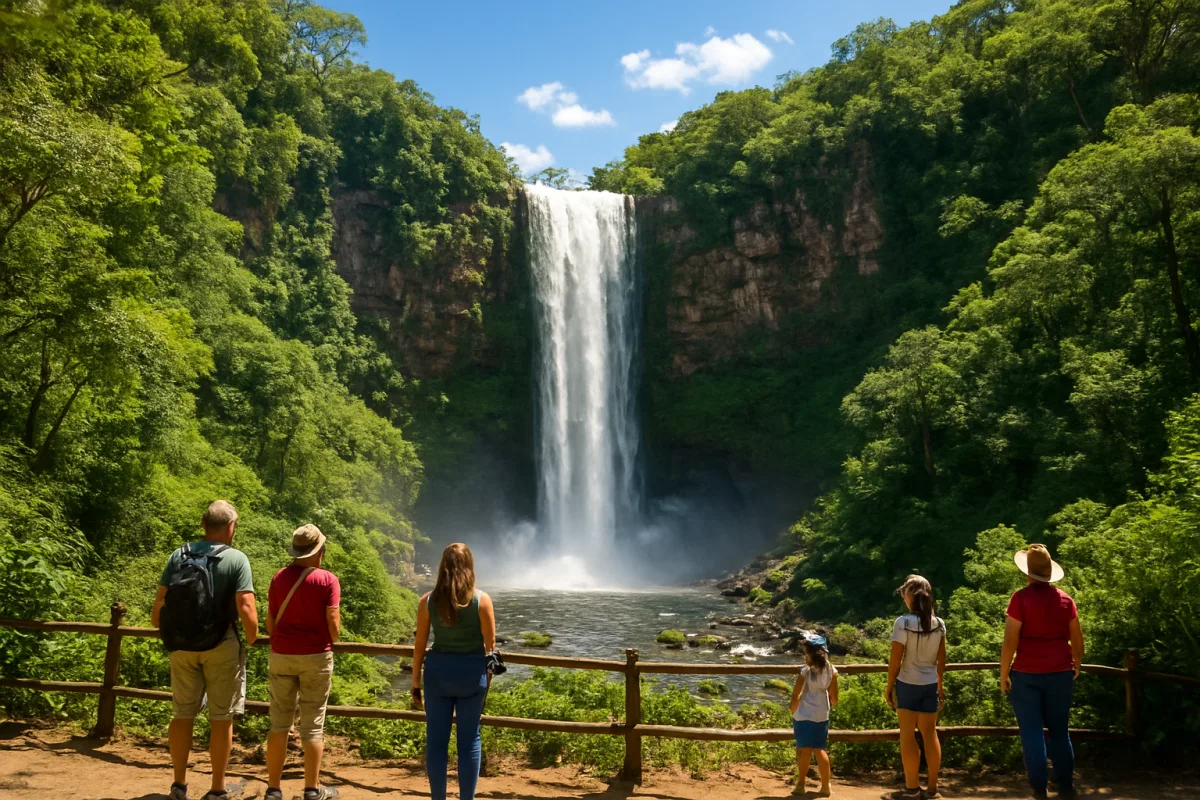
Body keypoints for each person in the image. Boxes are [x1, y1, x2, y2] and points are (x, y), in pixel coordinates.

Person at [152, 500, 258, 800]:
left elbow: (159, 604)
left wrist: (169, 632)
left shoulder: (179, 554)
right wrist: (253, 637)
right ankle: (216, 788)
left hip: (181, 646)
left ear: (203, 524)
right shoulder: (236, 559)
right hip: (221, 646)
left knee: (182, 714)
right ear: (231, 527)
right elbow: (246, 605)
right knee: (221, 717)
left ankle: (178, 784)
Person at [411, 543, 497, 800]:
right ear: (470, 567)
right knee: (469, 741)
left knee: (436, 743)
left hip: (437, 674)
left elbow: (419, 647)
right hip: (472, 675)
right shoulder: (482, 601)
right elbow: (490, 651)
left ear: (442, 567)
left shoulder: (427, 602)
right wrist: (486, 683)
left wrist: (415, 683)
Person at [1000, 544, 1084, 800]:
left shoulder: (1020, 599)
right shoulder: (1065, 600)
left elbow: (1010, 640)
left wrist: (1004, 673)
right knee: (1060, 730)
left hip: (1026, 674)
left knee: (1032, 731)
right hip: (1060, 672)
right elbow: (1077, 640)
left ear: (1028, 572)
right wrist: (1076, 663)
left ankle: (1039, 787)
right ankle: (1066, 784)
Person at [264, 525, 342, 800]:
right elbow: (333, 622)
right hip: (316, 656)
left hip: (282, 655)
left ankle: (273, 789)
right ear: (318, 551)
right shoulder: (327, 580)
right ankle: (311, 788)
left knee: (279, 724)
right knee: (313, 725)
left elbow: (270, 621)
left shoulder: (279, 577)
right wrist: (334, 637)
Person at [883, 575, 947, 800]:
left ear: (909, 595)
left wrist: (889, 686)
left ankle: (911, 790)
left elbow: (895, 660)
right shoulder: (939, 623)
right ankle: (932, 789)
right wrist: (939, 685)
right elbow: (941, 660)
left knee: (907, 736)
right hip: (930, 684)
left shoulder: (903, 623)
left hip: (907, 684)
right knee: (930, 735)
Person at [789, 635, 838, 797]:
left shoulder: (805, 672)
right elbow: (835, 698)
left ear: (810, 654)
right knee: (820, 749)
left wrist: (792, 708)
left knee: (804, 750)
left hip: (803, 714)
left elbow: (796, 695)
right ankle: (825, 786)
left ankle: (801, 784)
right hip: (821, 714)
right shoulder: (832, 671)